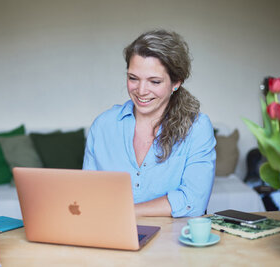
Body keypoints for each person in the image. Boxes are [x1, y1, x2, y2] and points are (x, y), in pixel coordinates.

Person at [82, 29, 216, 217]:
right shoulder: (103, 125)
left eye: (154, 81)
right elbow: (88, 194)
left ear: (176, 82)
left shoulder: (197, 128)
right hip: (110, 236)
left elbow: (193, 202)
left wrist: (125, 212)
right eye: (133, 78)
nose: (141, 91)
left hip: (172, 243)